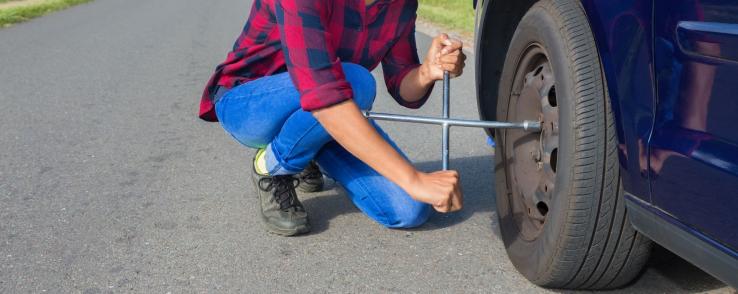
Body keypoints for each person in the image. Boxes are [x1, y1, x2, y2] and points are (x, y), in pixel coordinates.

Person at [200, 0, 466, 236]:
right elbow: (324, 94)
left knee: (409, 208)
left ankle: (307, 148)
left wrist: (428, 71)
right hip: (249, 105)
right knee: (357, 81)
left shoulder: (401, 5)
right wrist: (415, 179)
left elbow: (403, 89)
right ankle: (271, 166)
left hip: (327, 110)